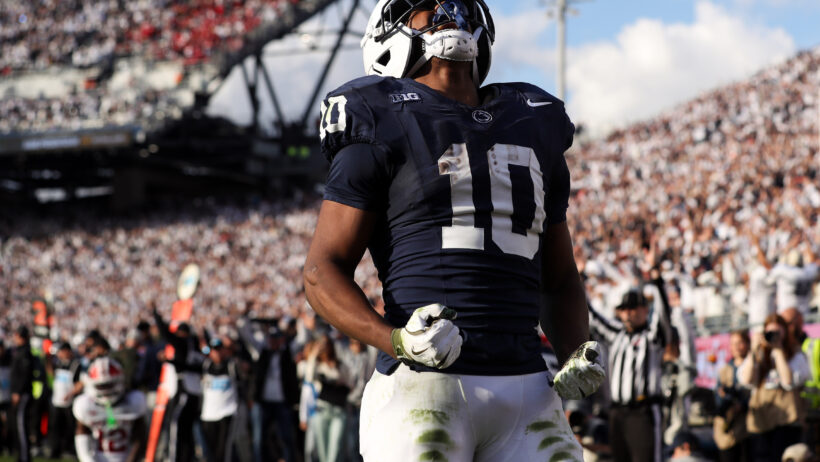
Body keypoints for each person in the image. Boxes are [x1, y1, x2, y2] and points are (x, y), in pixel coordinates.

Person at [302, 0, 604, 460]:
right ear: (389, 39)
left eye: (458, 4)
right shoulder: (380, 116)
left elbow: (560, 278)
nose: (449, 12)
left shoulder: (532, 119)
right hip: (424, 387)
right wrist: (396, 339)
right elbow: (321, 271)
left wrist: (573, 351)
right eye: (426, 8)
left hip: (528, 391)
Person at [588, 270, 674, 462]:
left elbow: (664, 317)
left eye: (633, 308)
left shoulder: (652, 337)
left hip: (642, 412)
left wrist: (657, 280)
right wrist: (576, 281)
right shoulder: (616, 333)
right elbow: (591, 315)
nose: (627, 313)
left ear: (645, 309)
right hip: (617, 413)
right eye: (624, 309)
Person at [739, 313, 810, 462]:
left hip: (787, 421)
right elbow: (745, 380)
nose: (773, 336)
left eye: (777, 332)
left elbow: (788, 381)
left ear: (785, 332)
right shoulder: (759, 353)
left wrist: (778, 351)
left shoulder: (795, 354)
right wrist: (753, 351)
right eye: (769, 332)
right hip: (762, 422)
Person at [72, 356, 147, 462]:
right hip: (98, 457)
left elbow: (140, 436)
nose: (105, 390)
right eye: (101, 386)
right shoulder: (84, 405)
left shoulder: (134, 401)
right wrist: (88, 459)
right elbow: (82, 433)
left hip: (126, 456)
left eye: (108, 385)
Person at [714, 329, 751, 462]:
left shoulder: (753, 367)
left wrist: (742, 404)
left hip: (748, 427)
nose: (736, 347)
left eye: (740, 342)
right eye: (733, 343)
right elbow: (718, 399)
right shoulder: (724, 370)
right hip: (729, 427)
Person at [47, 342, 82, 459]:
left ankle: (68, 449)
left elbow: (79, 383)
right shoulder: (59, 363)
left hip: (69, 402)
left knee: (69, 427)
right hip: (57, 401)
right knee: (55, 427)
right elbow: (52, 374)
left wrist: (70, 394)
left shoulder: (75, 365)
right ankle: (55, 450)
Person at [10, 326, 35, 462]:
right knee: (18, 427)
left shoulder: (25, 353)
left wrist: (18, 392)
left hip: (23, 394)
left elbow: (24, 376)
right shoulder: (20, 351)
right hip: (20, 393)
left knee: (21, 427)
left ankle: (24, 457)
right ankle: (21, 455)